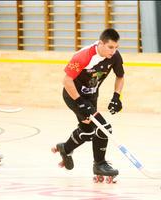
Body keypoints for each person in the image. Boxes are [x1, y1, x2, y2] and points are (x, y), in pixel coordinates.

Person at [52, 28, 124, 182]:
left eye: (116, 47)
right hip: (73, 95)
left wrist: (117, 96)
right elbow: (67, 80)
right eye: (110, 47)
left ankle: (66, 148)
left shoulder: (115, 57)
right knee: (104, 128)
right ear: (101, 44)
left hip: (91, 96)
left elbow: (120, 76)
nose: (114, 51)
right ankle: (99, 164)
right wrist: (79, 103)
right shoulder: (83, 56)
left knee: (88, 130)